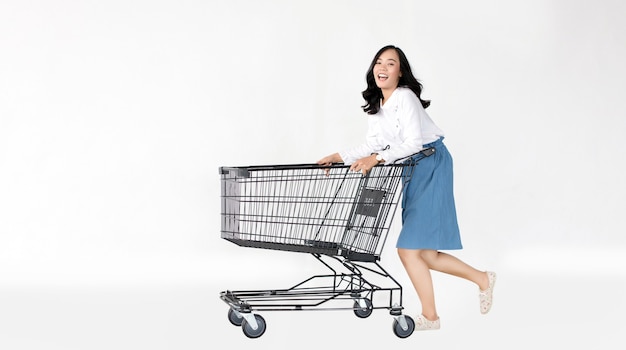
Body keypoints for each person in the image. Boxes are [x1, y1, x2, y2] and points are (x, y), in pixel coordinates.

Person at [317, 45, 496, 330]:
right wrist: (337, 157)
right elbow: (372, 145)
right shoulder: (377, 106)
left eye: (391, 64)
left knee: (407, 250)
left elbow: (413, 143)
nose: (383, 68)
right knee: (424, 254)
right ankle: (483, 279)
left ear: (400, 73)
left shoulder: (405, 97)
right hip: (412, 168)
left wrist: (375, 159)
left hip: (432, 164)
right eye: (379, 62)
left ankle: (431, 317)